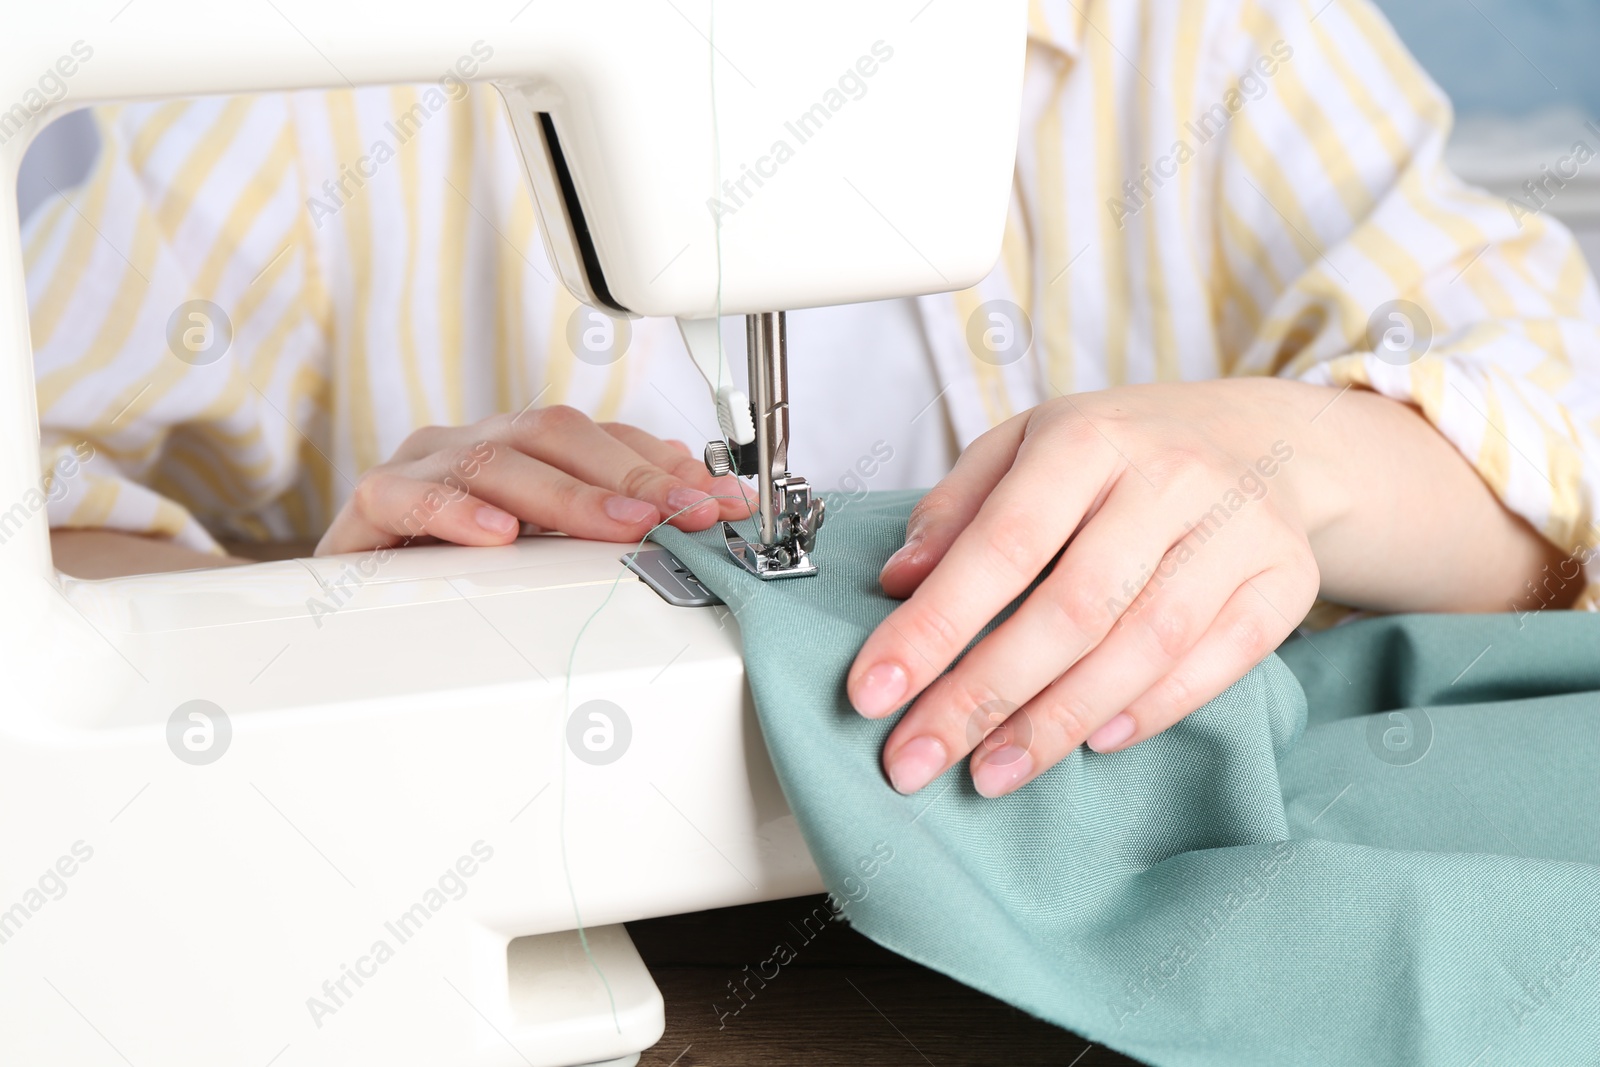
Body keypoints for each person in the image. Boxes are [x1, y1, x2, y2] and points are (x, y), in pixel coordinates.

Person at [25, 0, 1600, 800]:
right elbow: (47, 519)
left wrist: (1294, 460)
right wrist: (305, 624)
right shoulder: (337, 82)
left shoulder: (1187, 38)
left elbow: (1562, 394)